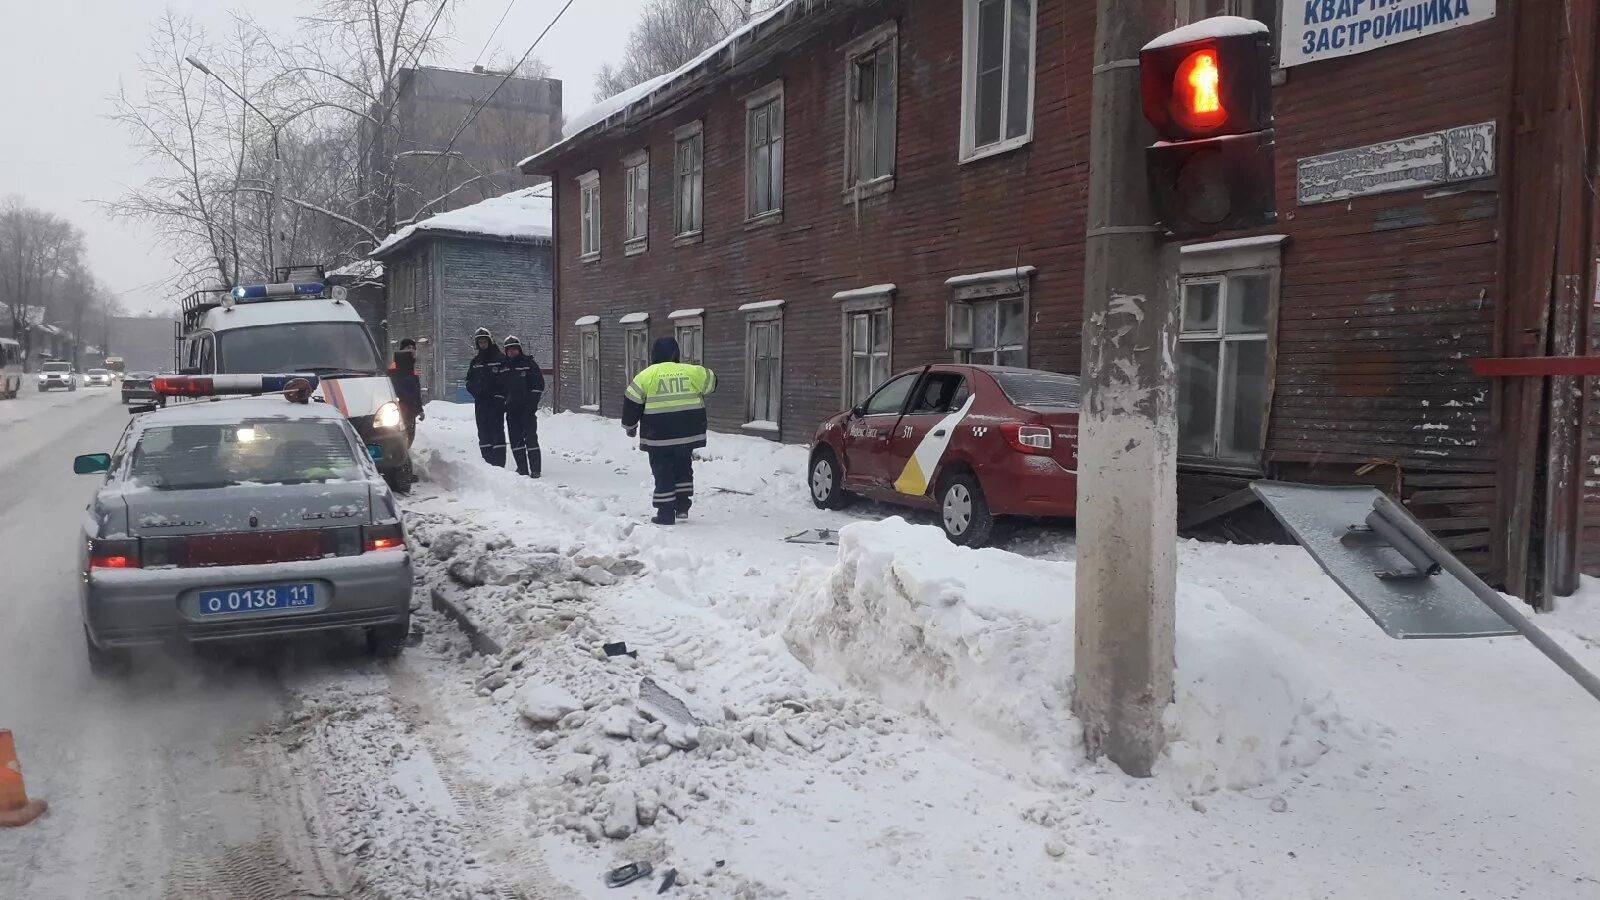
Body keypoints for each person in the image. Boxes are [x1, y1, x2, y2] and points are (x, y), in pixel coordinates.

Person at [621, 336, 716, 525]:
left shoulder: (646, 375)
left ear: (654, 355)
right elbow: (713, 382)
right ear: (676, 353)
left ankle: (665, 513)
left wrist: (630, 426)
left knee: (662, 471)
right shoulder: (692, 372)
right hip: (687, 433)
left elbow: (631, 402)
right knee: (683, 468)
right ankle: (682, 506)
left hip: (659, 436)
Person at [499, 335, 545, 478]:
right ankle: (522, 468)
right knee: (516, 441)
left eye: (514, 349)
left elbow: (538, 385)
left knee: (531, 439)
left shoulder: (529, 364)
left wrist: (531, 404)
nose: (512, 352)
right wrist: (503, 404)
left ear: (519, 349)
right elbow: (500, 389)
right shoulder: (504, 367)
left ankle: (535, 469)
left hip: (527, 410)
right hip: (512, 411)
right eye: (509, 350)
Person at [464, 327, 508, 466]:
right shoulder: (476, 362)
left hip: (496, 402)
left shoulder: (500, 359)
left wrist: (500, 396)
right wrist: (476, 392)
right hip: (481, 402)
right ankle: (487, 463)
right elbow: (469, 381)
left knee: (496, 431)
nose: (483, 344)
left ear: (490, 341)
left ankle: (499, 464)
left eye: (485, 341)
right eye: (480, 342)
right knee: (483, 431)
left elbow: (507, 379)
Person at [388, 338, 425, 443]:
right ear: (402, 349)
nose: (412, 350)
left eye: (413, 348)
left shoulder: (413, 369)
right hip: (398, 409)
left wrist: (419, 409)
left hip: (411, 410)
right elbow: (394, 387)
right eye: (408, 348)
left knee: (409, 438)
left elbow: (416, 392)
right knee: (396, 439)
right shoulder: (394, 367)